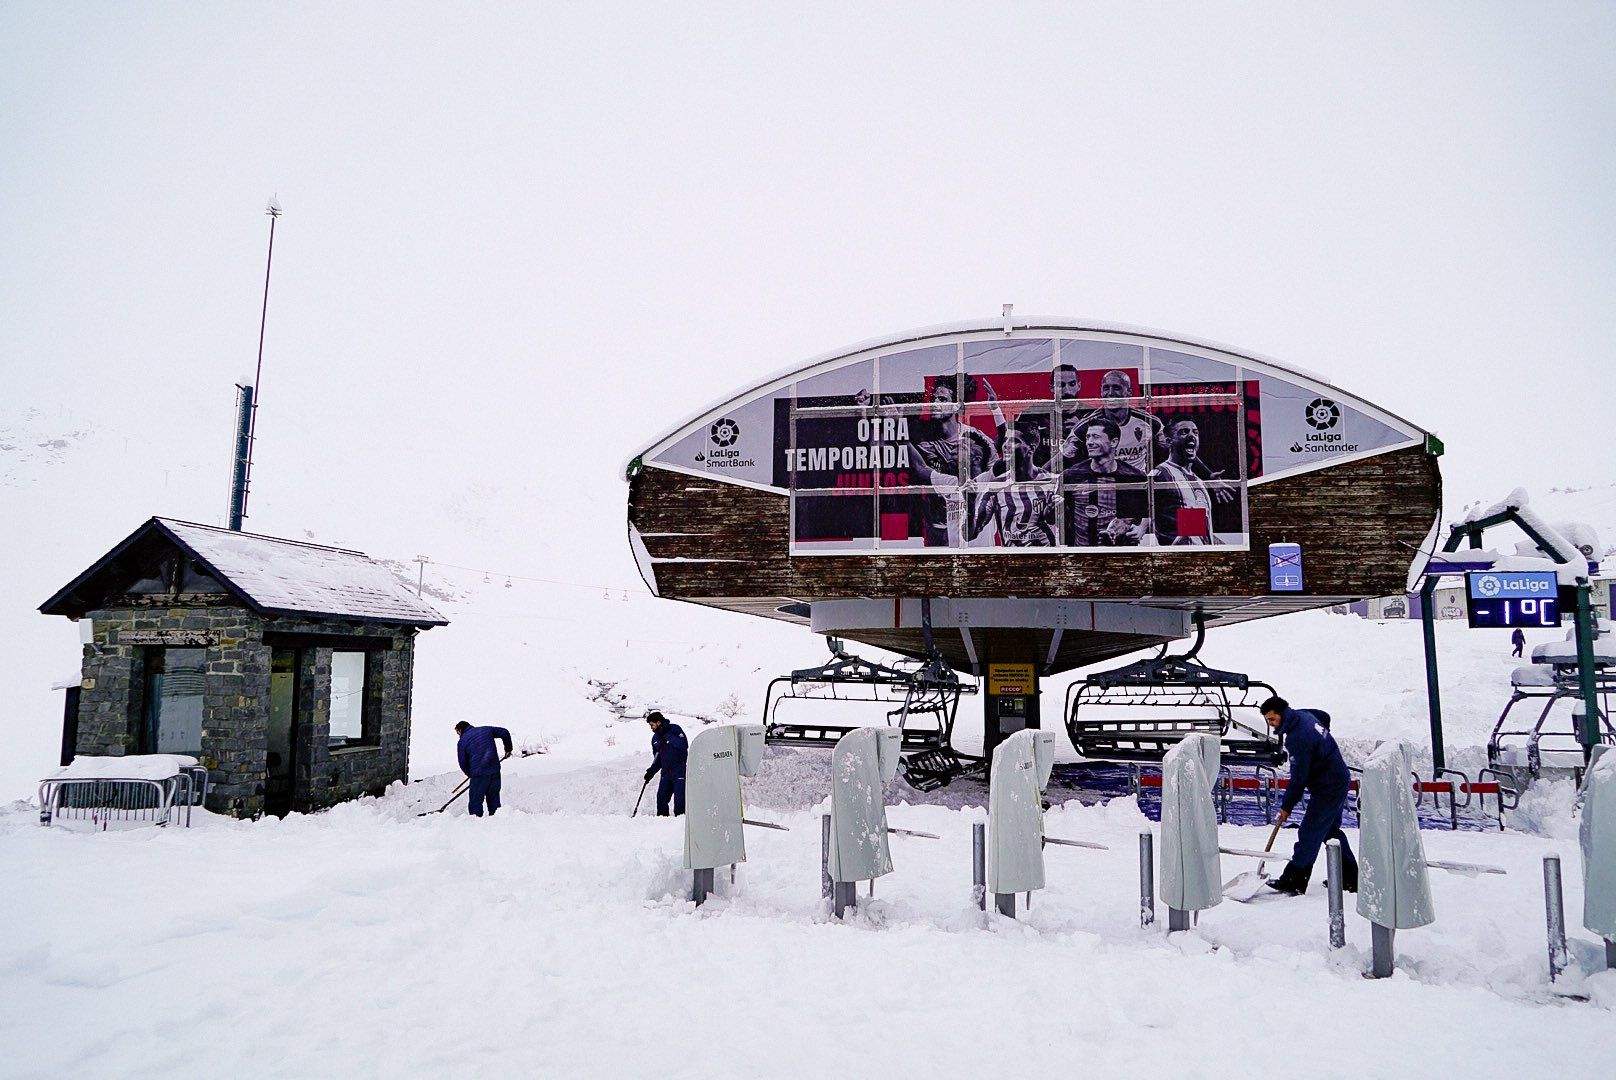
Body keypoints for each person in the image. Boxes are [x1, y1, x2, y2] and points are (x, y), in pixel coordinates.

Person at [1261, 696, 1359, 896]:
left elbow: (1299, 778)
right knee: (1329, 830)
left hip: (1329, 786)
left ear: (1281, 714)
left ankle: (1294, 880)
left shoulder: (1297, 738)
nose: (1271, 725)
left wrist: (1287, 806)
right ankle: (1350, 877)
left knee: (1309, 832)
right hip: (1338, 778)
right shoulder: (1303, 715)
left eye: (1272, 720)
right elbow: (1324, 716)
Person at [1059, 417, 1149, 546]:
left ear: (1113, 442)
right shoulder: (1071, 475)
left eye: (1095, 437)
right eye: (1087, 437)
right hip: (1082, 554)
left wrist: (1141, 529)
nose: (1089, 442)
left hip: (1122, 555)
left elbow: (1148, 513)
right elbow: (1055, 517)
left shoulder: (1134, 476)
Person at [1150, 418, 1215, 544]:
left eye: (1195, 433)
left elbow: (1194, 533)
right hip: (1175, 558)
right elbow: (1142, 517)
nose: (1192, 436)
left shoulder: (1198, 481)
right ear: (1169, 441)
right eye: (1184, 432)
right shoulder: (1159, 474)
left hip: (1200, 558)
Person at [454, 721, 513, 818]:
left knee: (475, 801)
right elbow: (505, 732)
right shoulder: (486, 730)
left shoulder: (462, 741)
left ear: (460, 730)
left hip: (478, 774)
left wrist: (470, 774)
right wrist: (508, 749)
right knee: (494, 798)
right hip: (494, 770)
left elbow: (463, 763)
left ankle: (476, 825)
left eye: (457, 733)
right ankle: (497, 821)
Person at [643, 710, 689, 817]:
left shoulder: (675, 729)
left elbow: (683, 745)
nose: (651, 728)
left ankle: (680, 824)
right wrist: (651, 772)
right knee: (661, 799)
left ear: (658, 722)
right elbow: (658, 760)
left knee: (680, 802)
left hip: (679, 772)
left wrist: (667, 736)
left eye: (652, 725)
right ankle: (662, 824)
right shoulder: (655, 738)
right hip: (665, 774)